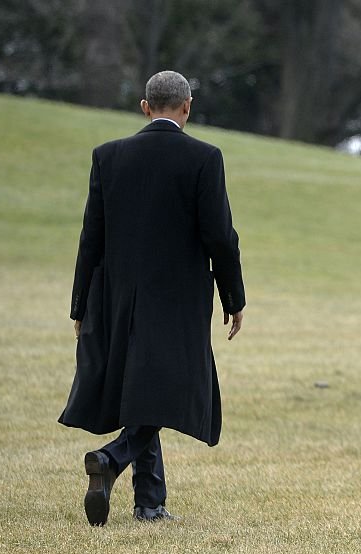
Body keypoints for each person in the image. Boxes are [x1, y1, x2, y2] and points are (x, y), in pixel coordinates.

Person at [58, 71, 246, 525]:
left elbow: (91, 237)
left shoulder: (109, 156)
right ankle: (112, 457)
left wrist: (81, 304)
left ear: (145, 106)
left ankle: (149, 502)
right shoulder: (205, 157)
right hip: (178, 299)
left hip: (118, 295)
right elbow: (220, 235)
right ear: (187, 107)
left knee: (143, 390)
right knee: (163, 391)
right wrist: (233, 296)